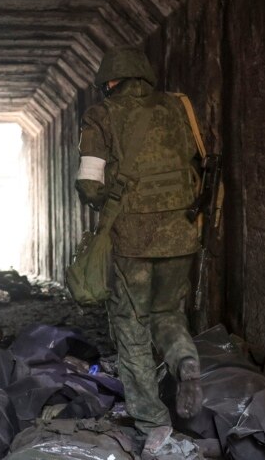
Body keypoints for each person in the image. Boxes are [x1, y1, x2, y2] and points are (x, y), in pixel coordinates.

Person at [75, 46, 204, 459]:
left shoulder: (102, 114)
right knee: (168, 313)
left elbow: (90, 183)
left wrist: (104, 202)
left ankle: (153, 422)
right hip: (182, 233)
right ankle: (185, 360)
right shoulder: (178, 108)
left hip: (133, 239)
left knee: (131, 325)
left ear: (110, 81)